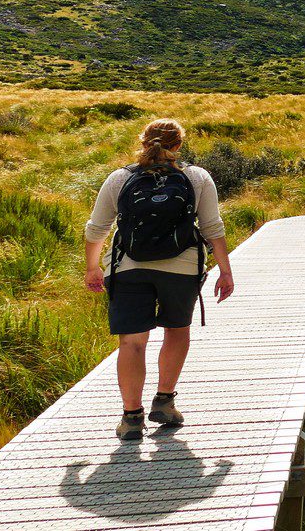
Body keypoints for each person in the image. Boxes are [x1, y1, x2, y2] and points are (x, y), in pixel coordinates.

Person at [84, 119, 234, 440]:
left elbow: (97, 228)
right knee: (177, 331)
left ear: (143, 142)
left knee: (132, 342)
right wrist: (225, 270)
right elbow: (212, 227)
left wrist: (93, 267)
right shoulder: (196, 177)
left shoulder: (119, 178)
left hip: (127, 267)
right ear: (178, 145)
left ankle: (132, 417)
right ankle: (164, 402)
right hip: (182, 267)